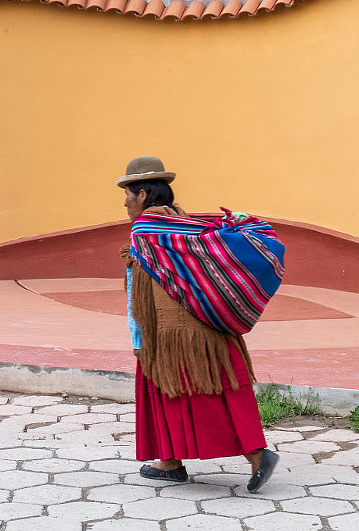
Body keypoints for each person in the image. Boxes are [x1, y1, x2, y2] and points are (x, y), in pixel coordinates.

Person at [117, 155, 282, 493]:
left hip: (170, 334)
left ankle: (249, 456)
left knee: (173, 393)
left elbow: (138, 293)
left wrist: (136, 337)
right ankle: (172, 462)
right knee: (224, 392)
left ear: (143, 195)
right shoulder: (184, 224)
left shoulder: (147, 231)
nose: (125, 203)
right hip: (209, 322)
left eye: (128, 195)